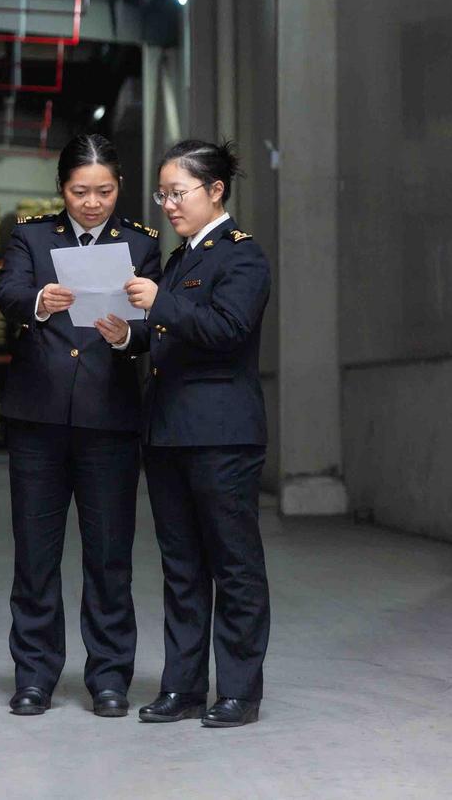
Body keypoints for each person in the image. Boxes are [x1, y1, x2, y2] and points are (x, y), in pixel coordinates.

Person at [0, 132, 162, 718]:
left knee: (110, 556)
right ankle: (34, 675)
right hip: (37, 418)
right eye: (80, 191)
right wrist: (41, 299)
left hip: (108, 418)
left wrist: (128, 335)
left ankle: (109, 676)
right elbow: (8, 292)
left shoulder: (140, 243)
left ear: (120, 188)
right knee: (35, 555)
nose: (92, 203)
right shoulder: (32, 236)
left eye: (104, 191)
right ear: (61, 189)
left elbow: (155, 323)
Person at [122, 139, 272, 729]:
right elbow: (170, 333)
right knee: (181, 567)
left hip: (221, 435)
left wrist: (159, 304)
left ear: (215, 191)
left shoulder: (242, 256)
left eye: (177, 193)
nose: (168, 205)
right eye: (162, 194)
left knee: (233, 566)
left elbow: (228, 330)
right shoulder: (180, 258)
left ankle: (239, 691)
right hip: (168, 433)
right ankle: (183, 688)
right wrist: (127, 336)